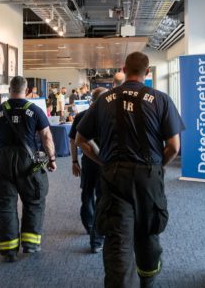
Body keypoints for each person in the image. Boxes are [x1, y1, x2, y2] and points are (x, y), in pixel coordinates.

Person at [76, 52, 185, 288]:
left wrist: (103, 161)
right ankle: (148, 280)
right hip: (148, 177)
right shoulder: (161, 99)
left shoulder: (103, 100)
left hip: (114, 177)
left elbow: (81, 140)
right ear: (147, 72)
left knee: (117, 240)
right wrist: (157, 166)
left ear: (124, 69)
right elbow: (174, 147)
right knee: (148, 232)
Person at [0, 76, 57, 263]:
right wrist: (51, 159)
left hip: (3, 161)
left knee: (4, 205)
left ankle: (8, 249)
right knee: (34, 199)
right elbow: (46, 137)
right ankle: (31, 244)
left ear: (9, 89)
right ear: (26, 91)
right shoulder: (34, 110)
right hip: (28, 161)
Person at [69, 87, 107, 253]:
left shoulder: (81, 116)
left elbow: (73, 141)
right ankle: (96, 238)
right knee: (101, 198)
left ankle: (89, 226)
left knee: (87, 194)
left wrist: (74, 161)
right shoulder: (109, 116)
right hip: (104, 163)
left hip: (88, 161)